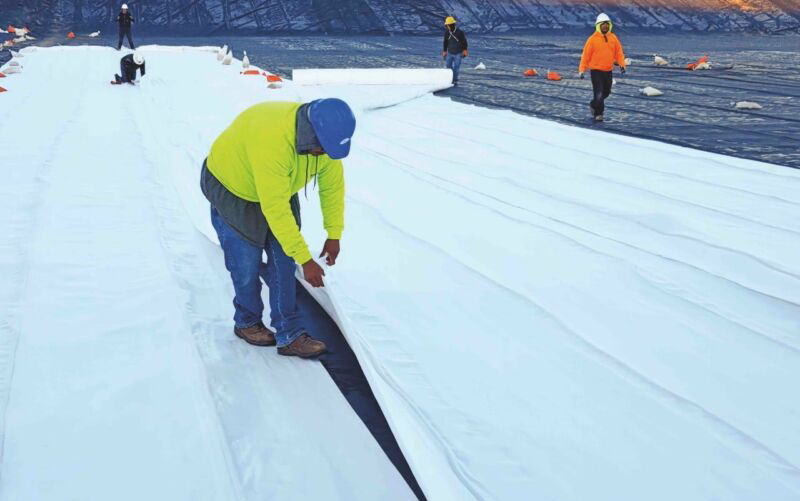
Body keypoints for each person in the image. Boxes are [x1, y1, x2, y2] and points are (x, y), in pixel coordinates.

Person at [201, 99, 355, 358]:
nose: (325, 155)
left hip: (276, 185)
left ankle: (290, 334)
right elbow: (275, 209)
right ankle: (247, 322)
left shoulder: (326, 142)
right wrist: (306, 260)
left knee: (283, 263)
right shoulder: (273, 143)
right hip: (234, 188)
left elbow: (332, 188)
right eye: (322, 150)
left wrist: (334, 234)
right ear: (311, 134)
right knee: (245, 264)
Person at [579, 13, 626, 122]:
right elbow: (585, 55)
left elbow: (619, 52)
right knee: (599, 93)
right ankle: (598, 114)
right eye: (603, 25)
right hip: (596, 71)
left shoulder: (613, 38)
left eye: (606, 25)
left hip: (608, 70)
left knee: (606, 92)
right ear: (598, 26)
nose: (605, 26)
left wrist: (622, 65)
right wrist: (582, 70)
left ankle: (593, 104)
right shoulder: (592, 39)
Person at [442, 16, 468, 86]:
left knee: (456, 68)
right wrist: (444, 51)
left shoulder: (459, 32)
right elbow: (445, 42)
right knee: (448, 67)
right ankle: (450, 79)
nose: (446, 26)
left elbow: (464, 42)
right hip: (450, 53)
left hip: (458, 53)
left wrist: (465, 50)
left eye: (447, 25)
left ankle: (454, 80)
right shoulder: (447, 32)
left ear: (451, 25)